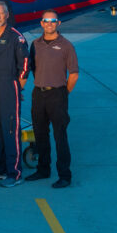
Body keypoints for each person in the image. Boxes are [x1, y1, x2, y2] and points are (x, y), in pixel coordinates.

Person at [27, 10, 79, 189]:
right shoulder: (35, 44)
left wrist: (64, 93)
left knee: (60, 136)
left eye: (52, 21)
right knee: (40, 134)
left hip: (57, 94)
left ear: (58, 23)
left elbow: (73, 74)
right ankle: (43, 169)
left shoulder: (66, 46)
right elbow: (32, 68)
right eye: (45, 21)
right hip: (38, 94)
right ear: (41, 23)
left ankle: (65, 175)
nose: (49, 23)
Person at [0, 2, 30, 188]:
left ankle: (14, 172)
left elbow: (25, 67)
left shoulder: (16, 37)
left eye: (2, 13)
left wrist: (18, 89)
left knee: (10, 131)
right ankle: (0, 169)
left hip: (9, 89)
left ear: (7, 15)